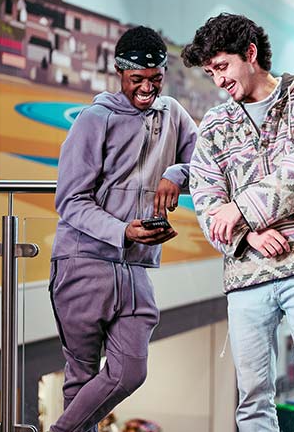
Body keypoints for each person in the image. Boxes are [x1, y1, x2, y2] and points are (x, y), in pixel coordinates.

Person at [182, 13, 294, 431]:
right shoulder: (216, 125)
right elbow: (206, 201)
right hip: (246, 274)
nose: (218, 81)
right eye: (210, 72)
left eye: (221, 67)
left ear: (250, 54)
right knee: (253, 399)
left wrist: (241, 210)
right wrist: (250, 235)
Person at [48, 25, 197, 432]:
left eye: (155, 79)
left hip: (136, 268)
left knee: (130, 370)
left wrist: (176, 173)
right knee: (80, 379)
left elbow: (206, 165)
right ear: (119, 72)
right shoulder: (93, 120)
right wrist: (124, 231)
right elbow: (70, 201)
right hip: (82, 264)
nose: (147, 89)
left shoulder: (174, 116)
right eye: (137, 80)